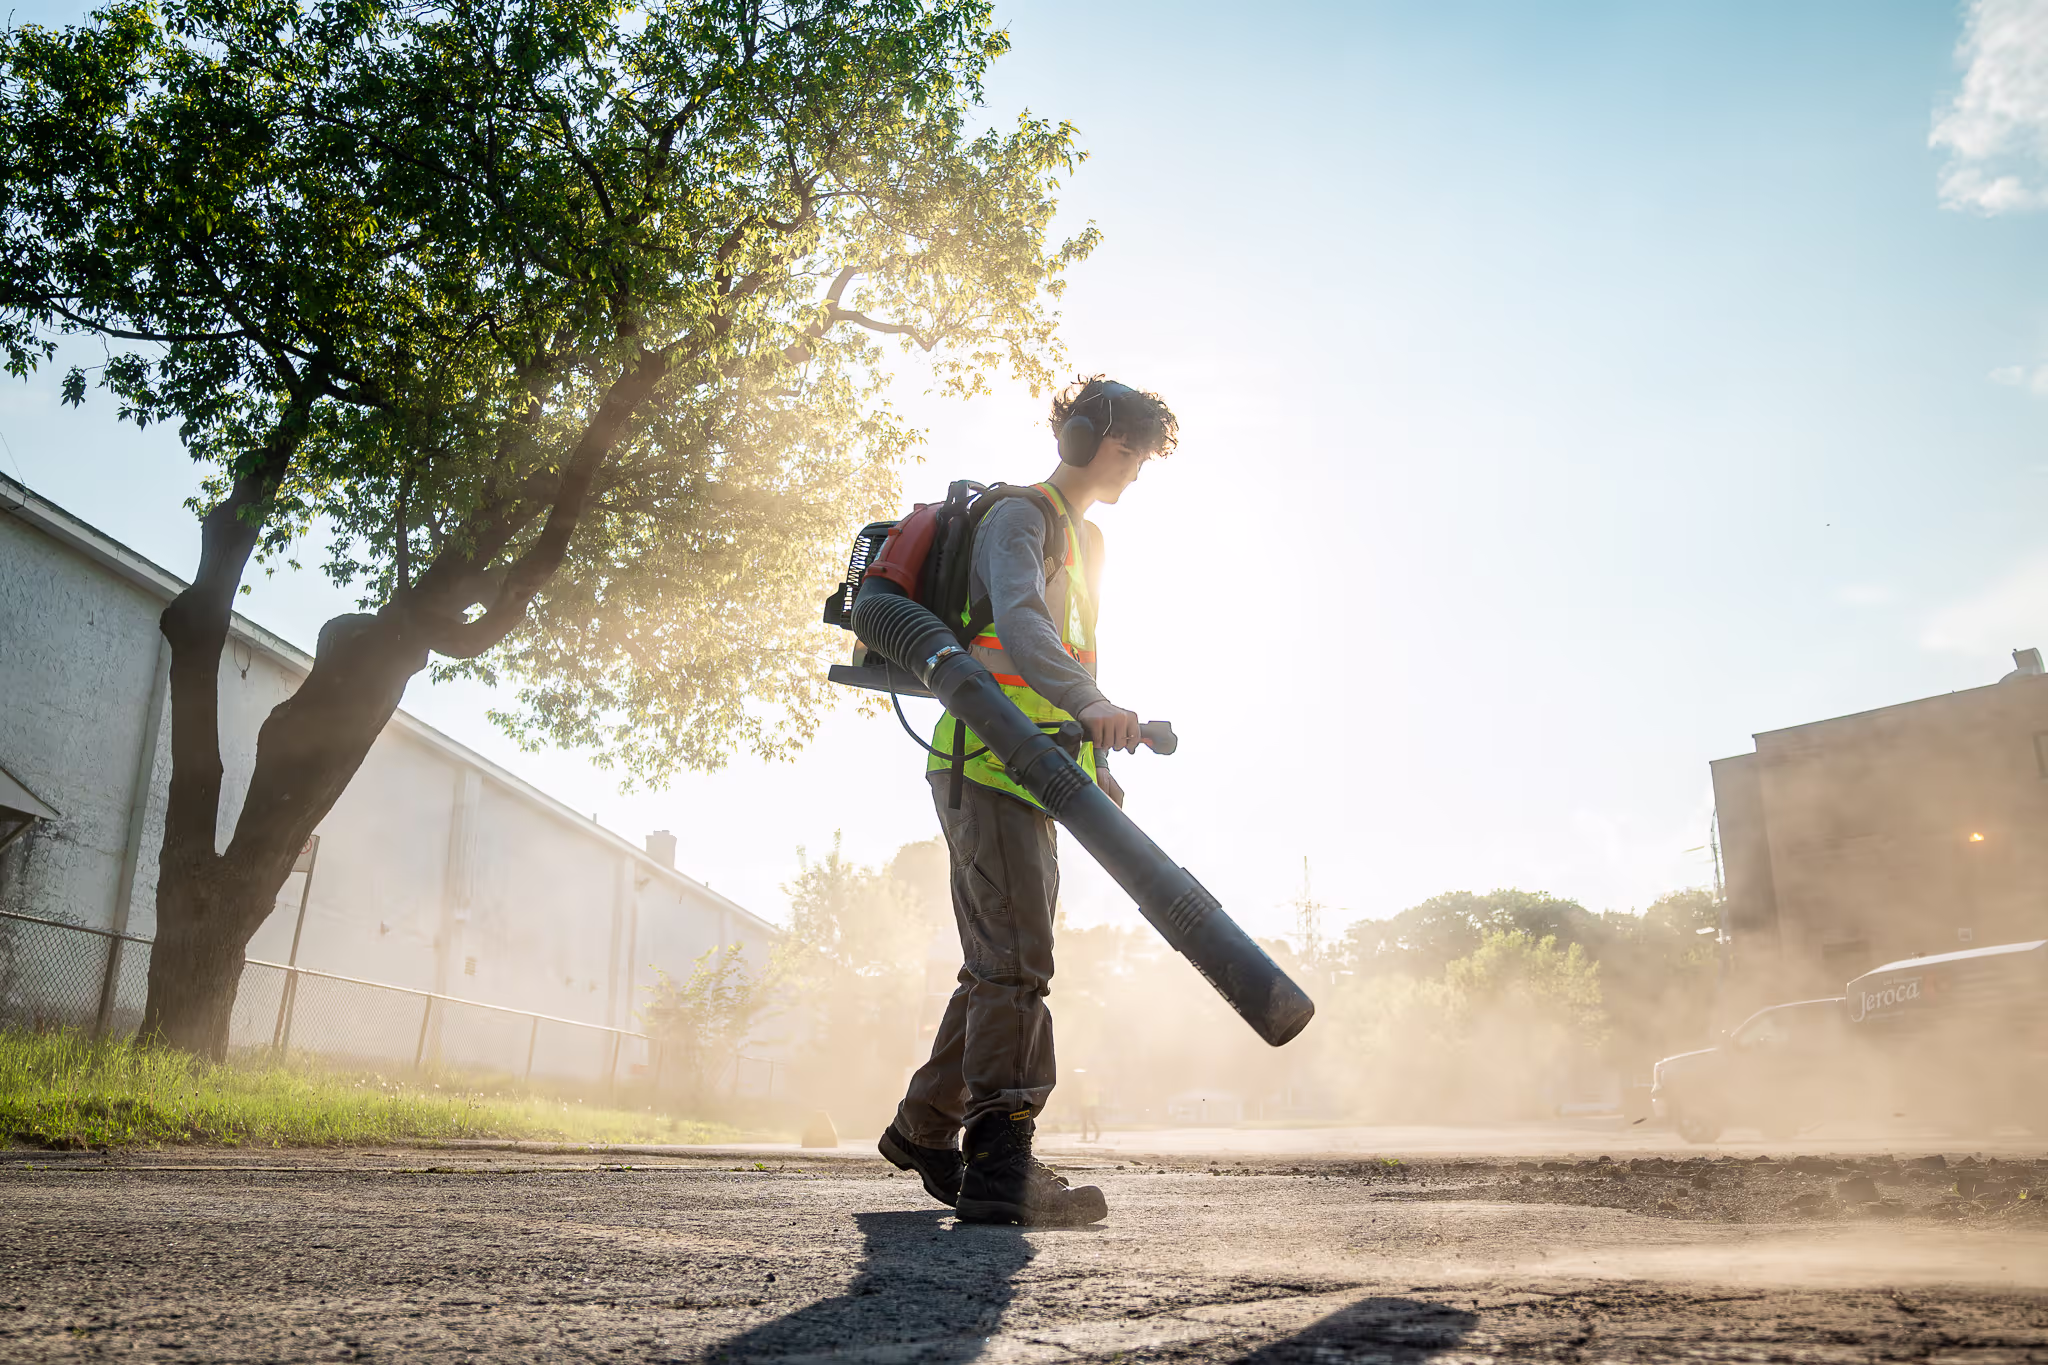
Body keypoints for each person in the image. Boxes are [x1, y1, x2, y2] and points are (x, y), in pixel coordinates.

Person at [877, 375, 1178, 1226]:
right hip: (982, 762)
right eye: (1129, 450)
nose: (1134, 469)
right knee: (1018, 963)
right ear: (1085, 437)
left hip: (1040, 771)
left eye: (1145, 458)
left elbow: (1070, 653)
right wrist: (1088, 705)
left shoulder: (1091, 546)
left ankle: (925, 1127)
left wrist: (1093, 751)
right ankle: (1001, 1157)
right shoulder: (1019, 517)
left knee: (997, 965)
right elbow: (1019, 625)